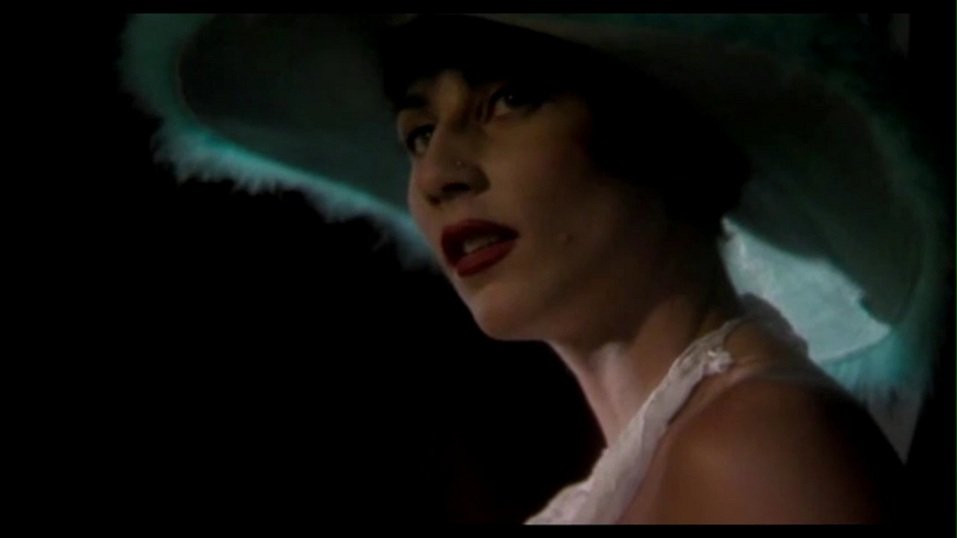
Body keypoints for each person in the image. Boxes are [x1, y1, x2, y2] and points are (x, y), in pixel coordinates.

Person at [120, 14, 947, 523]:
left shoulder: (757, 442)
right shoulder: (664, 459)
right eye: (418, 133)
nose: (439, 173)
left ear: (665, 128)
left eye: (509, 100)